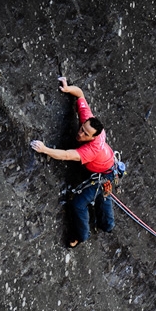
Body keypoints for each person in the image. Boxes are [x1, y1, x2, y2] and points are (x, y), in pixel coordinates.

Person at [31, 77, 116, 248]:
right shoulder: (89, 121)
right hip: (105, 168)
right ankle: (107, 224)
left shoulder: (92, 149)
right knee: (101, 196)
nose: (80, 134)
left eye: (85, 134)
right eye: (82, 129)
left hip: (103, 175)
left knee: (78, 203)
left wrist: (45, 149)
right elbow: (80, 95)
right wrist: (68, 88)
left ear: (93, 137)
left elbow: (66, 155)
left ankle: (81, 236)